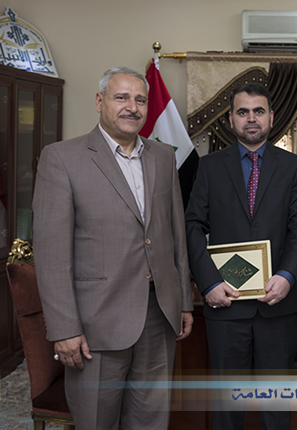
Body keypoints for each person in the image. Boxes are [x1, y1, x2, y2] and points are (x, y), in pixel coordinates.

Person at [33, 67, 193, 430]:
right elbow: (52, 255)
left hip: (159, 316)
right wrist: (64, 328)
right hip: (95, 324)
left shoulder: (163, 156)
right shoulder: (62, 158)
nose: (132, 107)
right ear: (99, 101)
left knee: (151, 422)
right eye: (121, 97)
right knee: (97, 421)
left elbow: (175, 235)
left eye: (140, 100)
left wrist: (183, 300)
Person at [185, 83, 297, 430]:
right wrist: (208, 283)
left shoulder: (291, 165)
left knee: (276, 406)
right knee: (227, 407)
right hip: (226, 304)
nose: (251, 118)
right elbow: (192, 226)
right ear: (231, 119)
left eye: (258, 111)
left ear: (271, 117)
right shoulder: (209, 166)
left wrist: (287, 276)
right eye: (243, 112)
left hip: (278, 304)